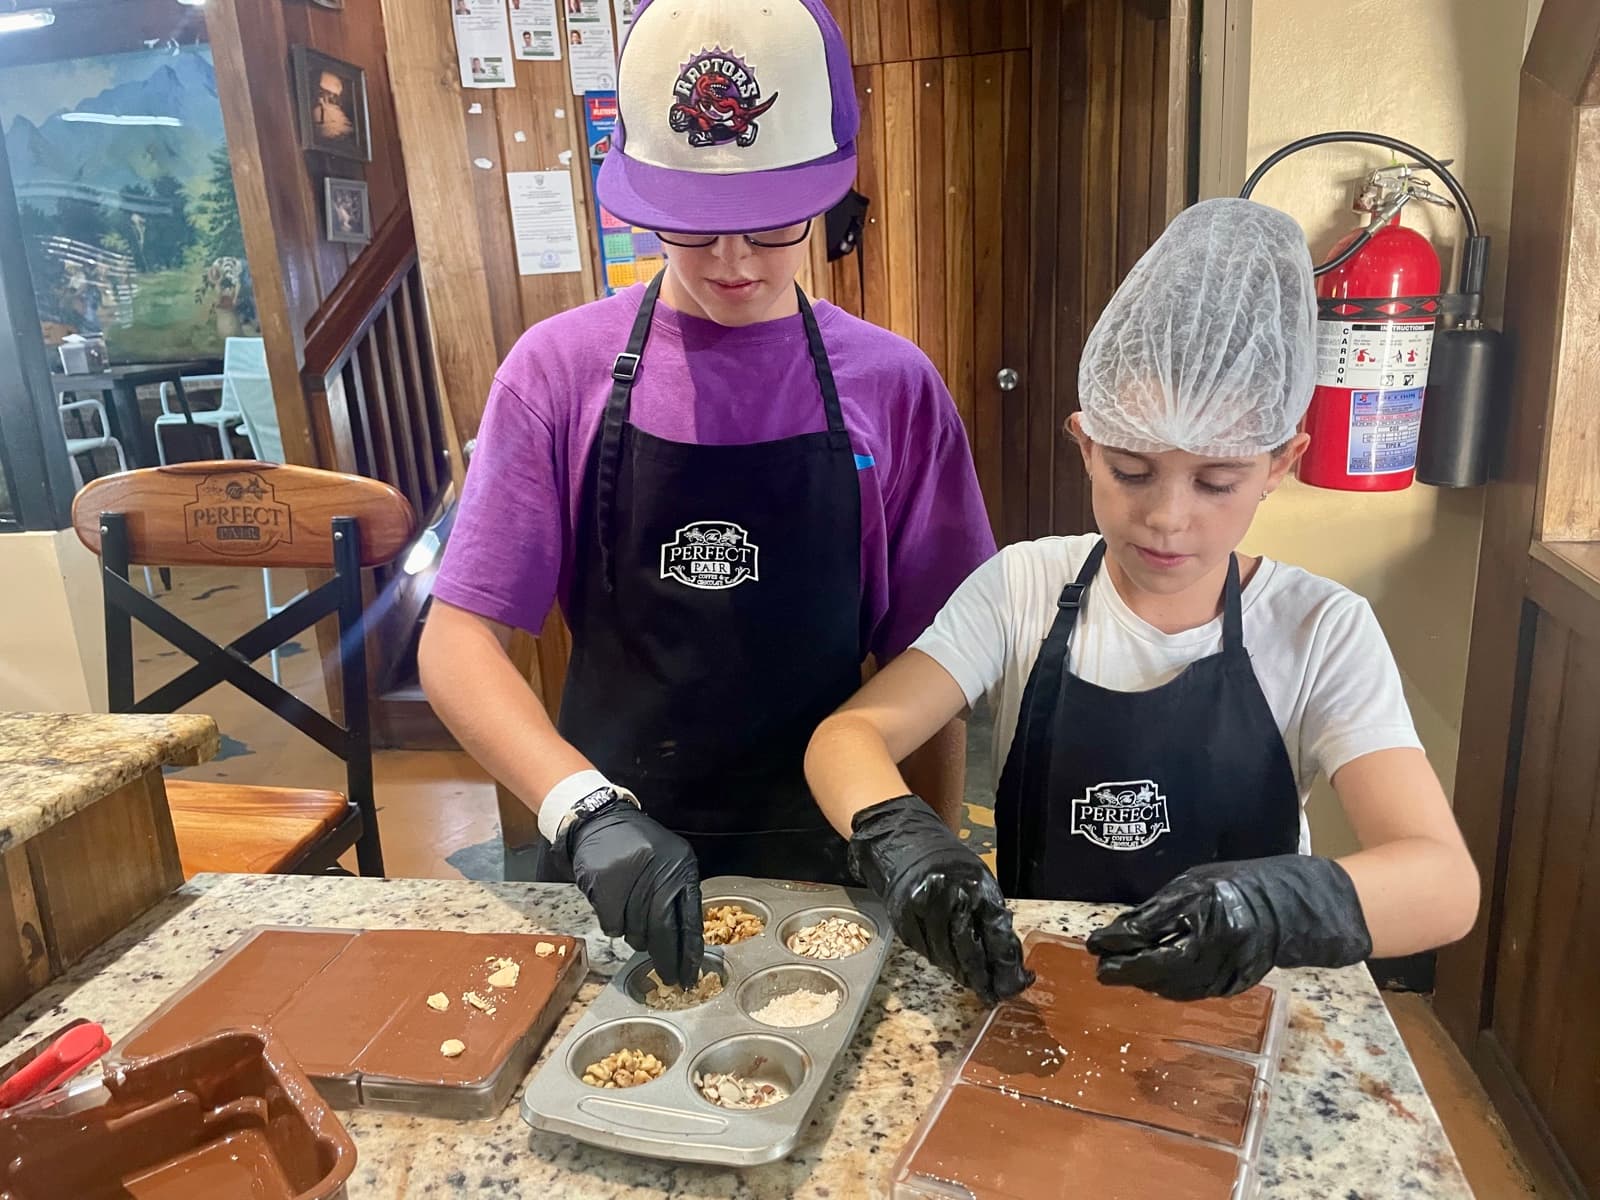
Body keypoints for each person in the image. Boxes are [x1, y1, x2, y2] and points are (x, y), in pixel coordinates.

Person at [420, 0, 992, 988]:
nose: (733, 263)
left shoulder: (892, 386)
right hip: (614, 857)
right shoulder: (556, 373)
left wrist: (925, 848)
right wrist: (577, 810)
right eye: (692, 228)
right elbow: (456, 640)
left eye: (771, 229)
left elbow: (936, 657)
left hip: (835, 862)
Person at [804, 198, 1480, 1004]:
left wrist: (1270, 908)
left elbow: (1443, 884)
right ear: (1086, 444)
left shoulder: (1320, 630)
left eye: (1217, 481)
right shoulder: (1024, 586)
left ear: (1280, 464)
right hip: (1039, 1000)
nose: (1166, 516)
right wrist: (904, 839)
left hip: (1238, 1017)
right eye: (1130, 471)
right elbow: (848, 737)